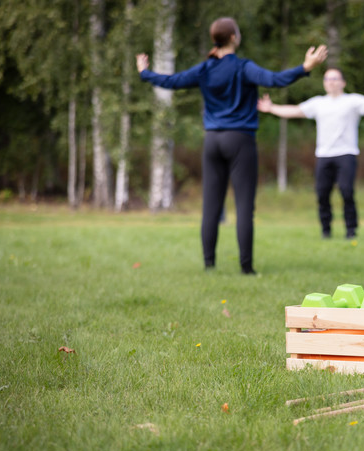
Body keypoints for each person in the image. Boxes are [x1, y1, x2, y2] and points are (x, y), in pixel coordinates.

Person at [137, 17, 327, 274]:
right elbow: (275, 80)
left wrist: (144, 73)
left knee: (211, 206)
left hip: (212, 140)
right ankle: (246, 268)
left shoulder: (205, 69)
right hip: (240, 140)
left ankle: (209, 265)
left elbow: (172, 81)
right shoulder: (242, 67)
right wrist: (305, 67)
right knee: (244, 206)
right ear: (234, 38)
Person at [257, 69, 364, 239]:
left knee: (347, 192)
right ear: (324, 83)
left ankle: (351, 231)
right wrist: (271, 108)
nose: (331, 82)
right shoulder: (318, 103)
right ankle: (326, 230)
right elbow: (294, 111)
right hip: (324, 155)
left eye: (334, 78)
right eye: (327, 79)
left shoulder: (353, 101)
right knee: (322, 194)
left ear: (343, 83)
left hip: (346, 154)